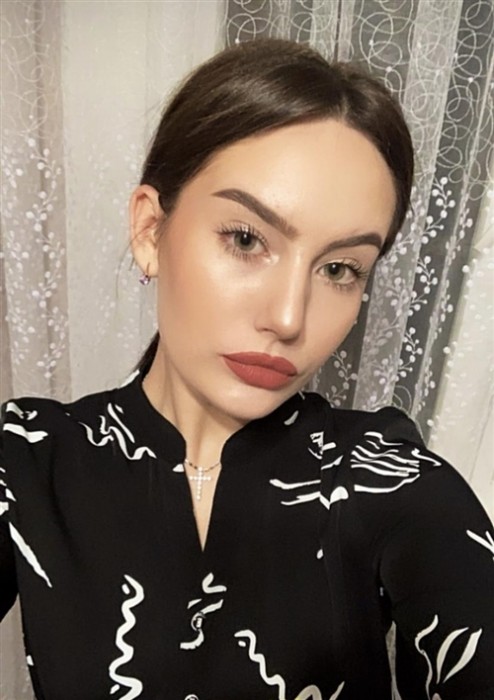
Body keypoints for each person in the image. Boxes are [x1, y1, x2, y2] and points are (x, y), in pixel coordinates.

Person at [0, 39, 492, 700]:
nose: (288, 318)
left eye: (339, 269)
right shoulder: (31, 460)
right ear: (150, 231)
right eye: (246, 238)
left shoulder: (391, 483)